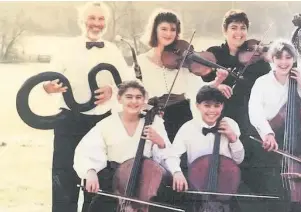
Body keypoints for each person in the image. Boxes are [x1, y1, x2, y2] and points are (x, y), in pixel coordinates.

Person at [42, 2, 135, 212]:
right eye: (92, 18)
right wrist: (49, 88)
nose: (96, 23)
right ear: (82, 21)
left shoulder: (113, 51)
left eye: (101, 19)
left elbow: (127, 84)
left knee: (100, 181)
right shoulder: (65, 48)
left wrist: (112, 90)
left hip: (101, 123)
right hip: (68, 121)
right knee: (64, 178)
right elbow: (46, 81)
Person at [199, 9, 272, 211]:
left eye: (243, 28)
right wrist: (216, 85)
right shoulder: (214, 54)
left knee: (248, 171)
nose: (238, 33)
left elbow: (269, 81)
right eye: (233, 28)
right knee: (221, 171)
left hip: (246, 120)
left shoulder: (256, 59)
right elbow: (199, 92)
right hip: (219, 119)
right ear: (225, 31)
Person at [73, 80, 172, 211]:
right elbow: (87, 150)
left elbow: (168, 156)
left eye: (138, 97)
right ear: (119, 99)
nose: (134, 101)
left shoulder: (154, 123)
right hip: (115, 183)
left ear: (144, 100)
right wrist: (90, 172)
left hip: (145, 182)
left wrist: (161, 142)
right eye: (129, 97)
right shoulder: (107, 124)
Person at [138, 8, 228, 143]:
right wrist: (148, 109)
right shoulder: (141, 61)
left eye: (173, 29)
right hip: (152, 116)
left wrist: (217, 81)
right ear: (154, 30)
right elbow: (133, 94)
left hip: (181, 114)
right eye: (164, 29)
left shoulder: (183, 58)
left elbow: (199, 90)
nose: (169, 33)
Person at [248, 39, 301, 211]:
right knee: (273, 190)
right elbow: (254, 111)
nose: (284, 62)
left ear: (294, 59)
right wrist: (267, 133)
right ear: (272, 59)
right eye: (279, 57)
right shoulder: (261, 82)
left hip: (297, 144)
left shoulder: (298, 81)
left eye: (288, 57)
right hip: (270, 143)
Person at [163, 85, 245, 211]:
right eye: (207, 105)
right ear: (198, 106)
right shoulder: (188, 128)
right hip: (198, 188)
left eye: (217, 106)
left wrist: (233, 137)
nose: (212, 110)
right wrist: (177, 172)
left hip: (225, 188)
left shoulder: (231, 124)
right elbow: (172, 155)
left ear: (222, 106)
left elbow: (238, 159)